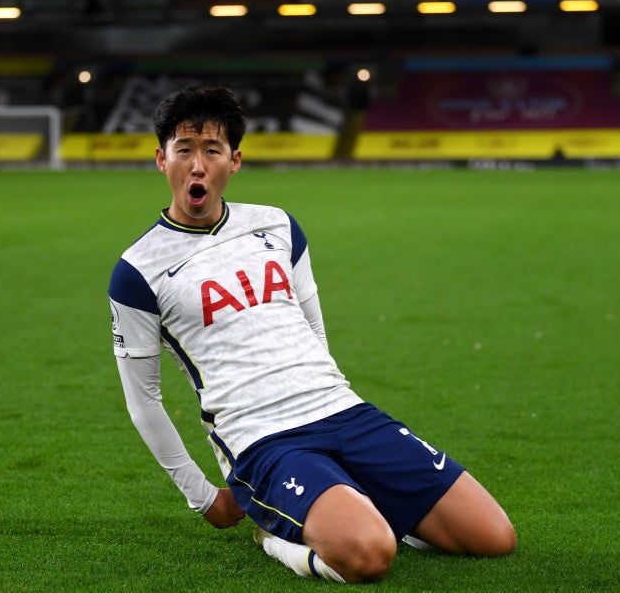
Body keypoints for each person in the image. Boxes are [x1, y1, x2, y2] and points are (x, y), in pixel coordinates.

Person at [108, 85, 516, 584]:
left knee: (494, 538)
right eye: (184, 150)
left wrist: (329, 395)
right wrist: (202, 495)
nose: (197, 165)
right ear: (161, 159)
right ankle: (278, 539)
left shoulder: (278, 226)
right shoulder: (136, 271)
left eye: (211, 150)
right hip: (263, 438)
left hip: (341, 410)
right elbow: (143, 400)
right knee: (368, 556)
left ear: (233, 161)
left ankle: (354, 501)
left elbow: (312, 324)